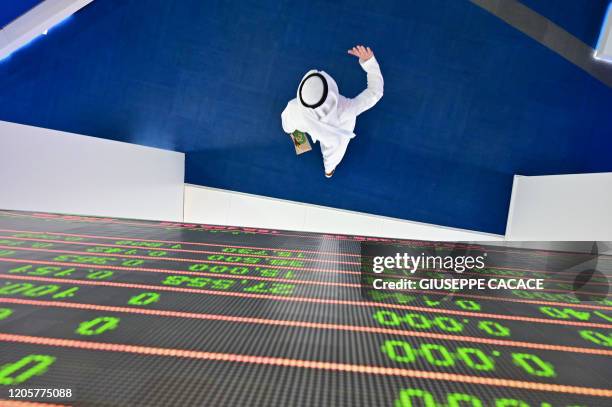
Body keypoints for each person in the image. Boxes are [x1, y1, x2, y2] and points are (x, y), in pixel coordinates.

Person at [281, 45, 384, 178]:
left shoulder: (294, 107)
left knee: (291, 126)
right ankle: (328, 171)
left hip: (303, 122)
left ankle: (301, 142)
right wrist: (369, 62)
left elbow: (287, 123)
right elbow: (375, 92)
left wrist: (291, 131)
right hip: (336, 136)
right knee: (332, 157)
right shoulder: (346, 109)